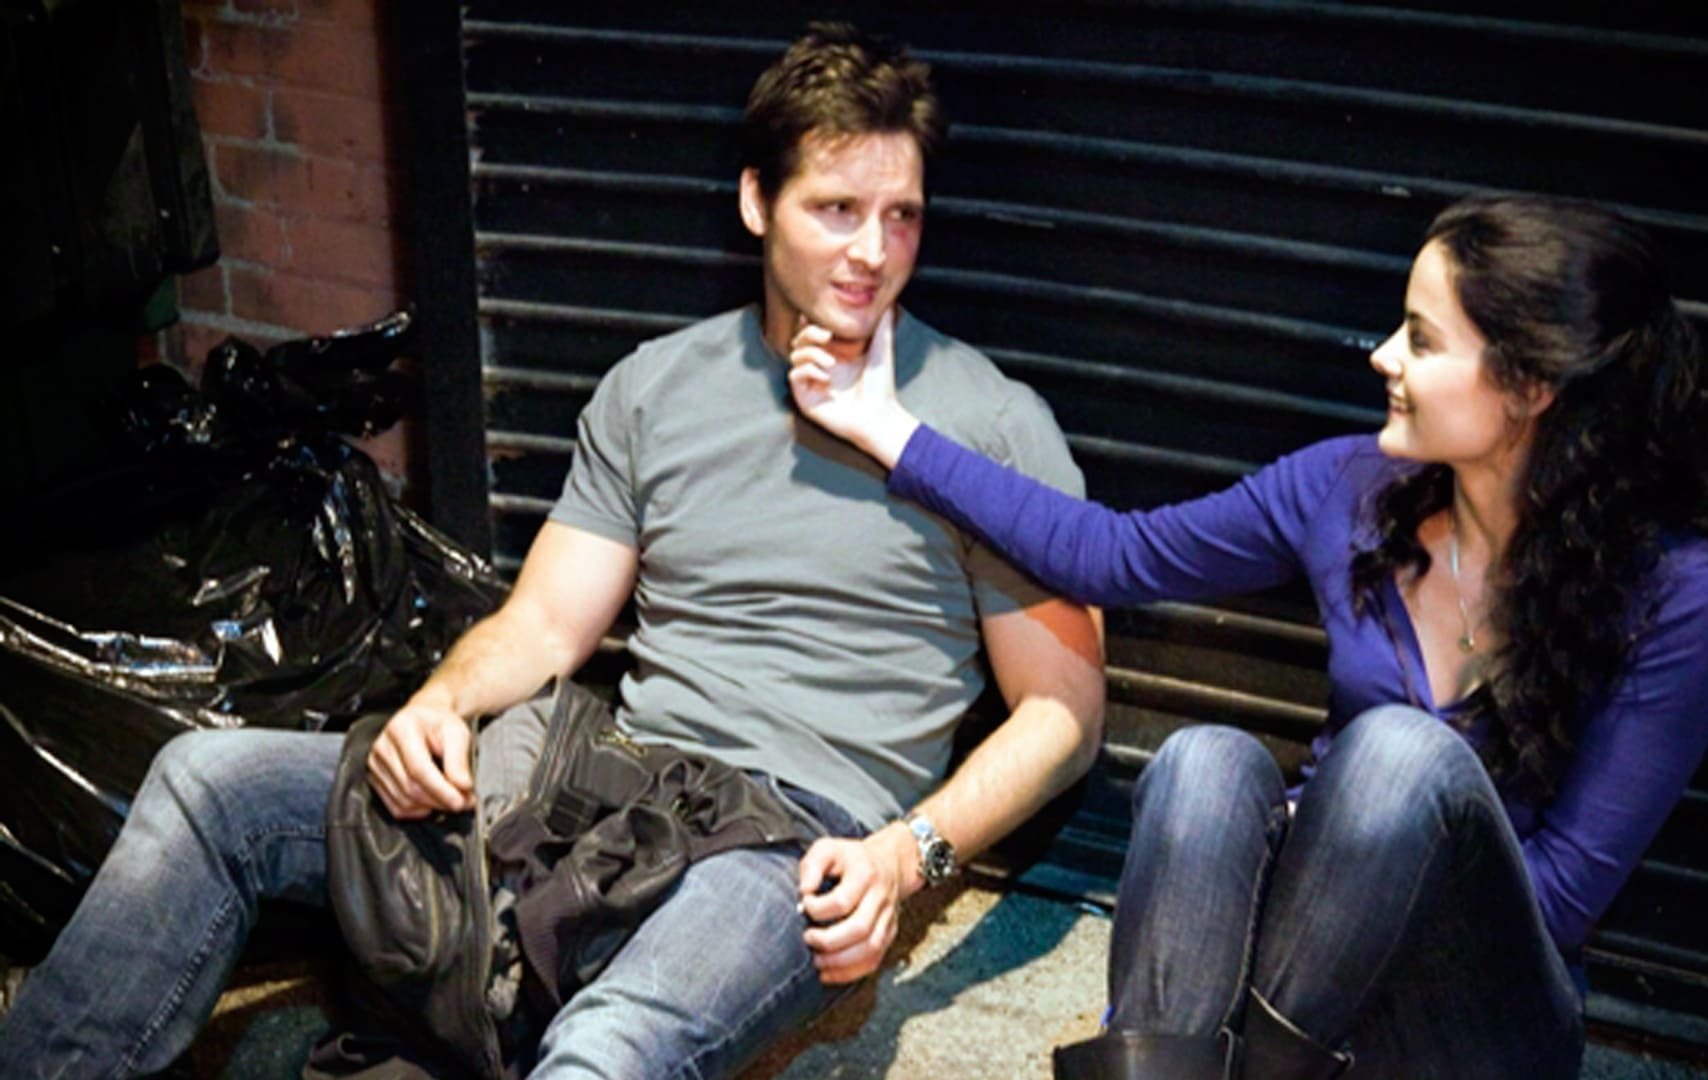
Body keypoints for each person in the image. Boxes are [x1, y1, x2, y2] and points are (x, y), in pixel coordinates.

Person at [0, 23, 1105, 1079]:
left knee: (603, 1051)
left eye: (902, 216)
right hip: (613, 777)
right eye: (837, 209)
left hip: (796, 839)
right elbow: (541, 623)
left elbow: (1065, 711)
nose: (873, 251)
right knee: (210, 785)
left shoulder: (988, 425)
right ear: (755, 202)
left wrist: (905, 859)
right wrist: (438, 706)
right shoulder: (656, 388)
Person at [787, 195, 1708, 1078]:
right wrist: (884, 425)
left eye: (1421, 339)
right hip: (1302, 999)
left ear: (1528, 386)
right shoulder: (1351, 489)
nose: (1383, 356)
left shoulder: (1682, 598)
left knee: (1402, 757)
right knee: (1203, 761)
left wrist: (1357, 863)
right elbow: (1110, 555)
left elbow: (1562, 900)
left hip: (1478, 1027)